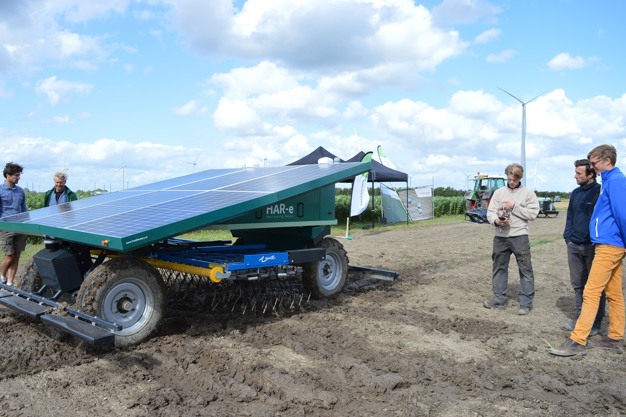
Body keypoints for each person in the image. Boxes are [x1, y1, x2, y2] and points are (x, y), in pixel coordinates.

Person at [551, 144, 626, 356]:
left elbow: (623, 214)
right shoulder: (610, 180)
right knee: (614, 293)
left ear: (607, 160)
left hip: (610, 245)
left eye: (594, 163)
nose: (592, 167)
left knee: (591, 291)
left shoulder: (616, 181)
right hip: (608, 243)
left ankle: (578, 340)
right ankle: (615, 337)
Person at [483, 163, 540, 315]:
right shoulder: (499, 193)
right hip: (500, 237)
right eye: (509, 179)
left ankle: (525, 304)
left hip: (520, 236)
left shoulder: (528, 194)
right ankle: (499, 300)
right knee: (499, 268)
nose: (511, 182)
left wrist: (514, 207)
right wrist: (496, 221)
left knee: (525, 269)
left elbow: (533, 214)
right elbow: (490, 212)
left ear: (520, 178)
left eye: (514, 180)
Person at [562, 159, 605, 335]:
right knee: (578, 284)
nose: (575, 176)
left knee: (594, 286)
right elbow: (570, 217)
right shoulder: (575, 193)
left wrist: (596, 241)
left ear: (591, 174)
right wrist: (568, 238)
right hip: (574, 245)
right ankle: (581, 317)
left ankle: (595, 323)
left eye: (579, 173)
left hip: (592, 246)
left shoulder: (600, 192)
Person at [0, 162, 28, 286]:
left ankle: (10, 283)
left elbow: (24, 209)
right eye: (16, 175)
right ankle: (2, 275)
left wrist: (27, 223)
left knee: (16, 256)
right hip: (6, 228)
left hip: (20, 227)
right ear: (8, 175)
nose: (18, 178)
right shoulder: (0, 190)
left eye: (19, 175)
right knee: (9, 256)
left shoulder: (20, 191)